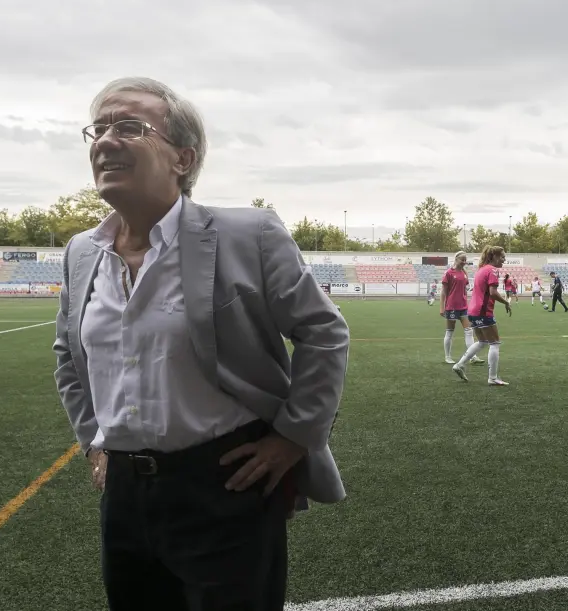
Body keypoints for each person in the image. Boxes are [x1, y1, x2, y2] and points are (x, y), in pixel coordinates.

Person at [53, 77, 349, 610]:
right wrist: (93, 440)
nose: (106, 140)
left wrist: (293, 437)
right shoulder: (81, 252)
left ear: (183, 158)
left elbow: (323, 332)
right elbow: (67, 358)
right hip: (124, 496)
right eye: (98, 129)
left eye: (129, 127)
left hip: (225, 484)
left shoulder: (249, 235)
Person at [452, 245, 512, 386]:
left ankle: (459, 365)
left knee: (482, 341)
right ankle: (492, 378)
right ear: (494, 256)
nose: (504, 259)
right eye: (502, 257)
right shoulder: (492, 270)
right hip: (483, 311)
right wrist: (506, 302)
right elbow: (493, 292)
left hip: (472, 311)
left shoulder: (481, 269)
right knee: (494, 343)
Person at [440, 251, 484, 365]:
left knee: (469, 330)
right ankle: (447, 356)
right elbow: (443, 292)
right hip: (451, 306)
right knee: (450, 331)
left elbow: (464, 289)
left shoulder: (464, 273)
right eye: (462, 260)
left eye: (465, 260)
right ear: (456, 259)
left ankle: (472, 356)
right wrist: (442, 307)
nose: (464, 262)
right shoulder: (449, 273)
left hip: (463, 306)